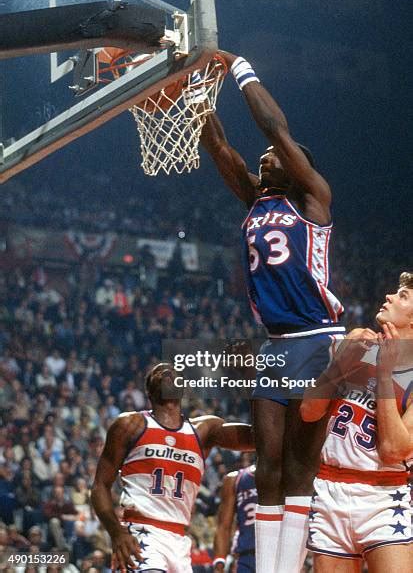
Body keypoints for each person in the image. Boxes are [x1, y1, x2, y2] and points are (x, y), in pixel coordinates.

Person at [201, 50, 345, 573]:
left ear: (295, 165)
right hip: (275, 345)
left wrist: (239, 69)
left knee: (299, 469)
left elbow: (276, 127)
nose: (263, 159)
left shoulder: (312, 200)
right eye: (261, 158)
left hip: (319, 338)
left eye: (272, 157)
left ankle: (291, 562)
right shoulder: (256, 200)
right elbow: (221, 151)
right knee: (267, 467)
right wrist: (193, 96)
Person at [91, 363, 254, 572]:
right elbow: (99, 486)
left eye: (173, 372)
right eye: (158, 372)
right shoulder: (130, 424)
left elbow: (259, 438)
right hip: (141, 532)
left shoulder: (203, 430)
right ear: (149, 391)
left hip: (180, 541)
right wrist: (116, 532)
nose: (166, 373)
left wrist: (250, 377)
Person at [300, 272, 413, 571]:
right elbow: (309, 411)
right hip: (330, 489)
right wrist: (341, 362)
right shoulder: (356, 343)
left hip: (382, 498)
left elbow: (393, 451)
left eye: (403, 296)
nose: (389, 296)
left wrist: (385, 374)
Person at [213, 462, 257, 572]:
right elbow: (223, 525)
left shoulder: (288, 476)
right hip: (247, 554)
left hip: (278, 553)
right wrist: (220, 560)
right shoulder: (236, 479)